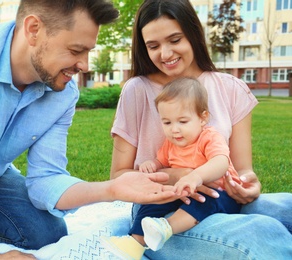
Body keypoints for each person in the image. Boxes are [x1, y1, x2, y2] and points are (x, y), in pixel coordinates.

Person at [0, 1, 182, 259]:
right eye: (75, 50)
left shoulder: (63, 93)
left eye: (88, 51)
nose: (84, 65)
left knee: (46, 233)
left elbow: (45, 180)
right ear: (34, 29)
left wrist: (110, 189)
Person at [109, 0, 292, 259]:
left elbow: (243, 170)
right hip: (161, 209)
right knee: (263, 234)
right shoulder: (136, 90)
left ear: (193, 34)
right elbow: (118, 175)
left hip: (223, 198)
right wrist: (181, 175)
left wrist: (250, 184)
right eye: (153, 46)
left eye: (175, 39)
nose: (165, 53)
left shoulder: (232, 88)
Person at [103, 77, 242, 259]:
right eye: (167, 123)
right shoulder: (171, 144)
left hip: (220, 194)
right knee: (153, 200)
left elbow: (221, 162)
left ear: (203, 118)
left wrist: (196, 177)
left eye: (182, 122)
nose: (174, 130)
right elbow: (161, 161)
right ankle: (134, 242)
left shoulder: (209, 137)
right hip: (183, 192)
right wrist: (151, 164)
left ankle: (166, 227)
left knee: (203, 200)